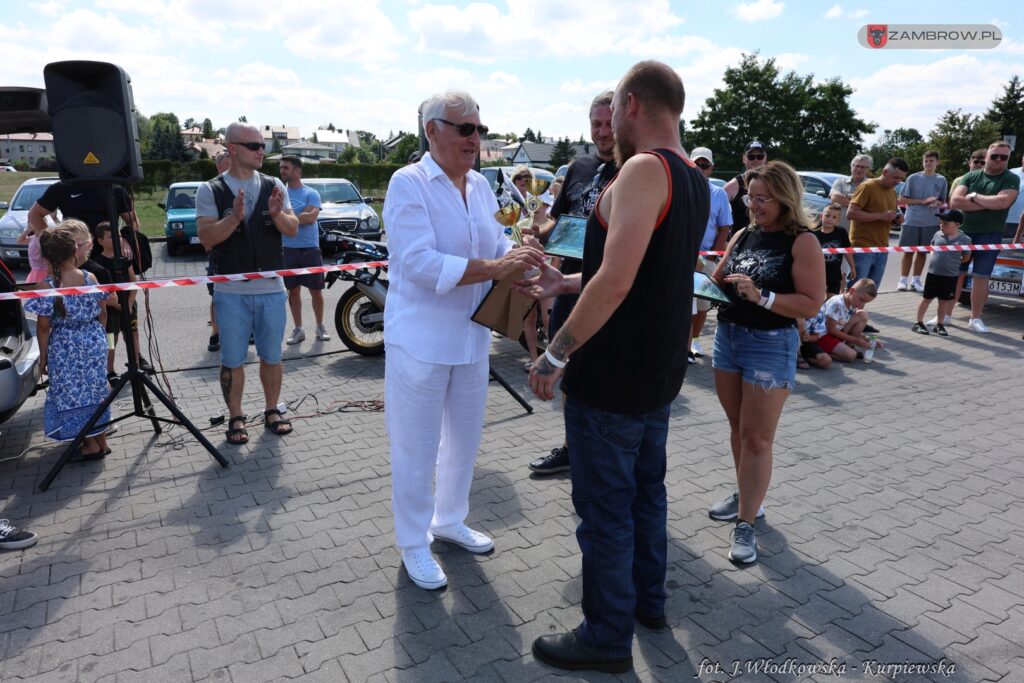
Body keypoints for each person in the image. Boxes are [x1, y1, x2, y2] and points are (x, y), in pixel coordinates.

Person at [522, 61, 708, 674]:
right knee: (646, 497)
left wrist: (555, 352)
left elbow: (620, 281)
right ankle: (647, 605)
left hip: (614, 376)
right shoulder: (693, 177)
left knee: (605, 512)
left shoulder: (642, 169)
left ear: (630, 105)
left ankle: (605, 636)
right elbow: (640, 269)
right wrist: (566, 279)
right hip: (657, 374)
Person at [382, 90, 545, 591]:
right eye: (465, 129)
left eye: (480, 129)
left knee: (465, 439)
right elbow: (419, 263)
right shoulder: (407, 183)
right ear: (432, 131)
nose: (476, 139)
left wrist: (523, 258)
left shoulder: (480, 186)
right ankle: (413, 540)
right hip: (421, 340)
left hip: (471, 338)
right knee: (416, 444)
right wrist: (499, 266)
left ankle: (449, 519)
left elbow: (496, 244)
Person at [707, 161, 825, 564]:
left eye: (762, 199)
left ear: (784, 198)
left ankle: (746, 525)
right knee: (738, 428)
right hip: (729, 339)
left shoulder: (802, 241)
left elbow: (812, 303)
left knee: (757, 438)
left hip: (770, 344)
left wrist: (764, 297)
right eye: (750, 198)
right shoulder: (743, 234)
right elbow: (717, 280)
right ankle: (747, 497)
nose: (752, 206)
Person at [527, 91, 618, 476]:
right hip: (567, 282)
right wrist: (536, 233)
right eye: (595, 124)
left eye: (608, 124)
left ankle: (605, 452)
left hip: (607, 285)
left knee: (606, 371)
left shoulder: (633, 170)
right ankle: (572, 446)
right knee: (567, 364)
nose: (602, 132)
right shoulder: (578, 168)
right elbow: (558, 222)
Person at [196, 122, 299, 445]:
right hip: (231, 294)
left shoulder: (272, 186)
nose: (261, 152)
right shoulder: (210, 190)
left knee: (272, 356)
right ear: (233, 148)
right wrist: (235, 219)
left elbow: (292, 228)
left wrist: (278, 214)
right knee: (232, 360)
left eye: (263, 145)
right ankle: (236, 417)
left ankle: (272, 410)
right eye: (254, 146)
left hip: (270, 288)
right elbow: (207, 237)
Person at [25, 226, 113, 461]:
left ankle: (90, 444)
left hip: (65, 345)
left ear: (46, 256)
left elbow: (44, 327)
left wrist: (43, 356)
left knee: (72, 393)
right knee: (95, 390)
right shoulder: (89, 277)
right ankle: (101, 440)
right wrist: (99, 339)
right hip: (93, 338)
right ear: (75, 249)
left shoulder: (46, 287)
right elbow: (102, 313)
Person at [948, 140, 1020, 333]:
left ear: (1008, 159)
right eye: (994, 156)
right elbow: (955, 201)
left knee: (981, 277)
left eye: (1003, 157)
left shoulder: (1011, 178)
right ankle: (945, 315)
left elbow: (1003, 202)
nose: (998, 160)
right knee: (956, 274)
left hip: (990, 235)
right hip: (963, 233)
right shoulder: (971, 176)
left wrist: (973, 197)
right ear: (987, 156)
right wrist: (989, 204)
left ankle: (975, 318)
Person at [278, 155, 328, 345]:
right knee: (293, 291)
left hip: (310, 249)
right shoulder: (279, 194)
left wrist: (285, 217)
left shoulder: (311, 193)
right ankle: (298, 329)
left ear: (297, 171)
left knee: (316, 291)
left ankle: (320, 326)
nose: (282, 171)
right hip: (287, 249)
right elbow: (278, 218)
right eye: (281, 167)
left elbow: (311, 218)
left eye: (286, 168)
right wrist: (298, 215)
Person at [689, 146, 732, 360]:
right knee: (685, 304)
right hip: (684, 255)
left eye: (704, 165)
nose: (700, 168)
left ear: (711, 168)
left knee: (703, 305)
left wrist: (714, 255)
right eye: (697, 164)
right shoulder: (681, 188)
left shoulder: (718, 194)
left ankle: (695, 340)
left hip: (706, 256)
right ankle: (682, 345)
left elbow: (724, 227)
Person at [511, 166, 553, 371]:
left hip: (547, 278)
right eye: (535, 204)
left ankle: (553, 360)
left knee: (548, 318)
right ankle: (534, 357)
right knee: (529, 319)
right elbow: (511, 250)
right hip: (527, 276)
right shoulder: (520, 225)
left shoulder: (552, 224)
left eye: (543, 204)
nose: (539, 208)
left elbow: (557, 254)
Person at [847, 157, 909, 291]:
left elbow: (888, 217)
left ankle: (859, 312)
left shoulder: (892, 192)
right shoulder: (867, 186)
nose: (898, 182)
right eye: (895, 178)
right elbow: (851, 213)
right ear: (885, 172)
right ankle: (847, 312)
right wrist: (881, 216)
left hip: (882, 248)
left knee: (869, 292)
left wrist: (896, 219)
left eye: (901, 179)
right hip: (862, 247)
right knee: (854, 291)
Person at [912, 209, 971, 337]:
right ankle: (918, 322)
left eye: (945, 224)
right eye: (941, 223)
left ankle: (940, 324)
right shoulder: (937, 235)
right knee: (926, 298)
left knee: (944, 301)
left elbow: (966, 257)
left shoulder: (965, 240)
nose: (941, 225)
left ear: (957, 224)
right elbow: (932, 247)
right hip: (933, 273)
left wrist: (952, 263)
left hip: (950, 275)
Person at [91, 222, 138, 380]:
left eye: (118, 235)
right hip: (111, 308)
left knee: (132, 334)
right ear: (100, 241)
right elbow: (101, 293)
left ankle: (136, 365)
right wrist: (118, 305)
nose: (117, 239)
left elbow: (133, 281)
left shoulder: (124, 258)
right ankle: (109, 371)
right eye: (111, 237)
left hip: (129, 305)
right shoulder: (97, 263)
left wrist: (130, 302)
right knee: (111, 338)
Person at [898, 151, 947, 292]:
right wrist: (922, 201)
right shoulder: (913, 178)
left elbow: (942, 200)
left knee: (922, 253)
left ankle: (916, 281)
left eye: (931, 161)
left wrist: (936, 203)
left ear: (937, 162)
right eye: (925, 161)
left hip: (930, 222)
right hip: (911, 221)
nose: (928, 163)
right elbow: (902, 199)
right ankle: (903, 280)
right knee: (908, 252)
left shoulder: (942, 180)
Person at [810, 278, 879, 362]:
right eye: (861, 300)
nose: (861, 304)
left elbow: (844, 324)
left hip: (838, 331)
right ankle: (820, 353)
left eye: (865, 302)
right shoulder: (836, 304)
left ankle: (848, 346)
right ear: (852, 291)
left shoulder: (851, 302)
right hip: (823, 335)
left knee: (862, 314)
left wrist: (868, 340)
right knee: (851, 356)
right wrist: (855, 340)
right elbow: (831, 330)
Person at [207, 151, 232, 353]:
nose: (228, 170)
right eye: (225, 166)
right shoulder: (210, 189)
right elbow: (205, 227)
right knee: (217, 297)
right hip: (218, 253)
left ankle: (246, 331)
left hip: (242, 254)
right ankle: (216, 334)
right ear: (218, 167)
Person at [725, 140, 767, 236]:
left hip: (765, 240)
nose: (756, 160)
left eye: (760, 156)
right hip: (740, 242)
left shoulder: (773, 183)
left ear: (765, 158)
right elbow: (715, 214)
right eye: (751, 156)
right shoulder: (733, 186)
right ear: (744, 158)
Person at [813, 203, 855, 297]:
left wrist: (852, 266)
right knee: (817, 299)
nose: (830, 219)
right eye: (827, 215)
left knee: (832, 300)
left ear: (838, 220)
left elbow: (847, 250)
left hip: (834, 275)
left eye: (834, 217)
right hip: (816, 275)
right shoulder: (813, 234)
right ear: (821, 216)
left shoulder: (841, 232)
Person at [830, 154, 873, 229]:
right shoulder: (840, 182)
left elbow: (873, 206)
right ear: (851, 167)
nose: (859, 169)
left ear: (868, 169)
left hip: (862, 233)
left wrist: (846, 197)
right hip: (840, 231)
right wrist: (861, 205)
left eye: (862, 167)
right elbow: (835, 197)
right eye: (856, 166)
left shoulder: (872, 186)